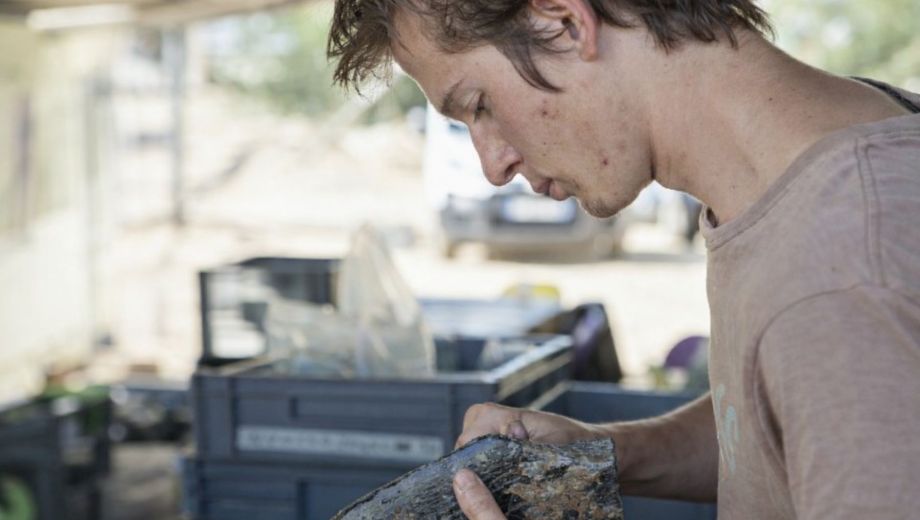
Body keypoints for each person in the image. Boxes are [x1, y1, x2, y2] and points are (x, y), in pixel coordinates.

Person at [326, 0, 920, 518]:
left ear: (564, 22)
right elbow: (792, 425)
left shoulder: (844, 279)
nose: (492, 165)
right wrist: (598, 453)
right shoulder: (827, 162)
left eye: (479, 105)